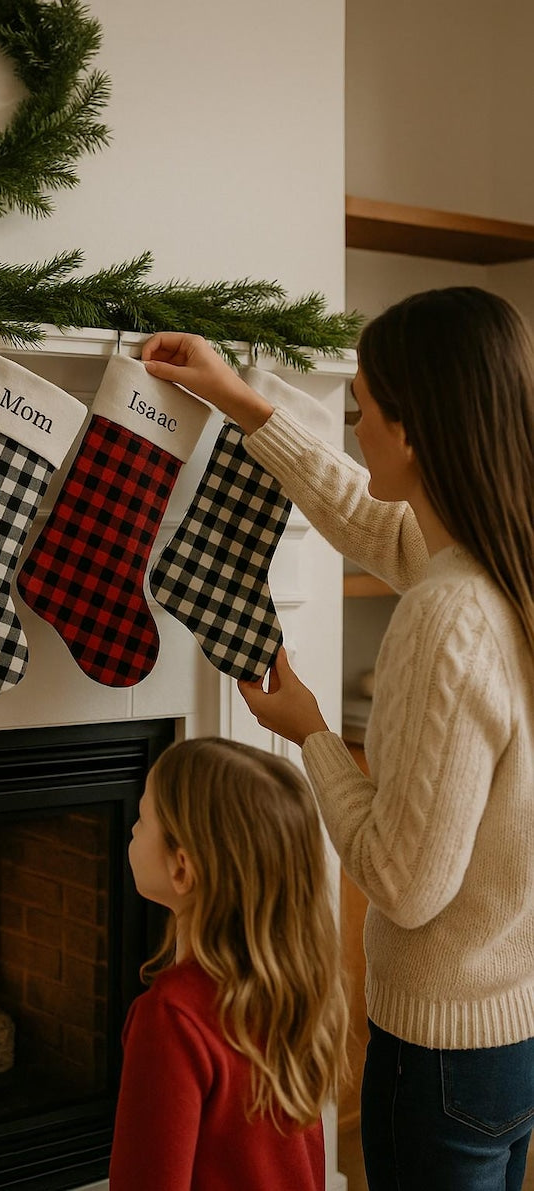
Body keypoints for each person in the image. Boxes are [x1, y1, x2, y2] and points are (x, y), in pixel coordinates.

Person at [140, 286, 534, 1191]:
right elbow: (372, 518)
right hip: (508, 1034)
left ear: (416, 429)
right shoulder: (500, 560)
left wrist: (312, 733)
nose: (354, 422)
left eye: (365, 404)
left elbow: (402, 881)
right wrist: (241, 402)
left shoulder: (448, 617)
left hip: (438, 1055)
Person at [109, 736, 349, 1191]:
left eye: (142, 818)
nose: (133, 829)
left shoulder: (171, 1019)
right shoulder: (297, 990)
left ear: (182, 869)